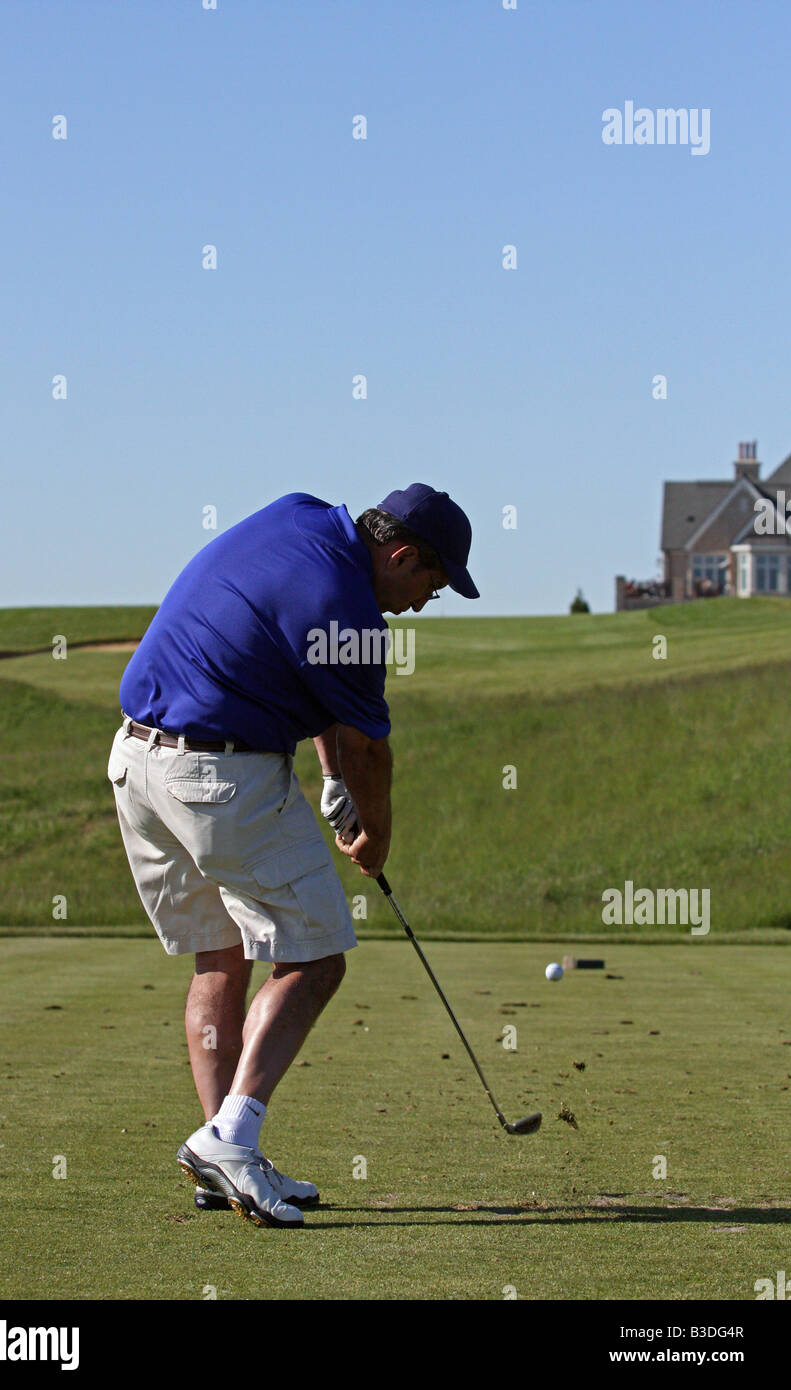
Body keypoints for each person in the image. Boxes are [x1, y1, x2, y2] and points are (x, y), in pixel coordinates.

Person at [107, 484, 478, 1228]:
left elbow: (301, 674)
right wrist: (374, 835)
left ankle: (222, 1154)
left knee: (220, 957)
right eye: (429, 585)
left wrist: (330, 777)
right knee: (316, 958)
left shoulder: (298, 515)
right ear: (400, 554)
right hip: (217, 776)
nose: (421, 604)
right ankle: (231, 1139)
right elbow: (372, 747)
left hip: (136, 764)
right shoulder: (353, 614)